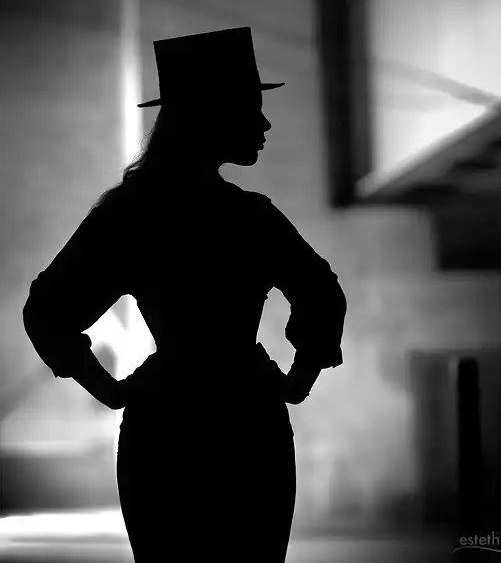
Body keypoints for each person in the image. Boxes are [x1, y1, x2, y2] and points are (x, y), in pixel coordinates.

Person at [22, 27, 347, 562]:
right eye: (251, 109)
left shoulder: (129, 217)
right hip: (250, 419)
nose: (265, 124)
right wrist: (296, 381)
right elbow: (323, 293)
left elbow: (47, 311)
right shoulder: (249, 218)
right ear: (212, 116)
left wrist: (111, 391)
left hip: (163, 422)